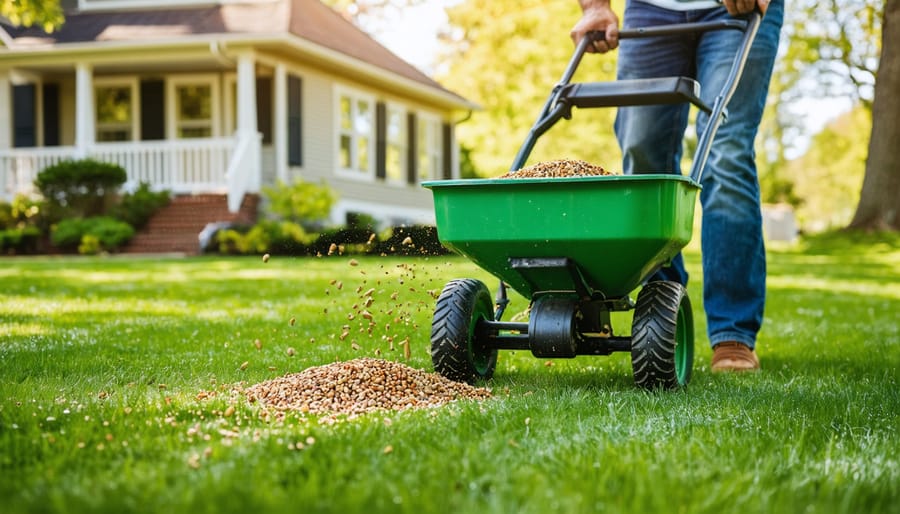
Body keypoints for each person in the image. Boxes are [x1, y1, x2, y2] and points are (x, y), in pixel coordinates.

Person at [571, 0, 784, 372]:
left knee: (725, 149)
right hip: (652, 8)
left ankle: (733, 334)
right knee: (641, 152)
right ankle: (662, 313)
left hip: (735, 9)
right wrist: (595, 6)